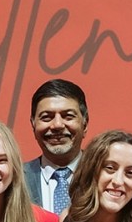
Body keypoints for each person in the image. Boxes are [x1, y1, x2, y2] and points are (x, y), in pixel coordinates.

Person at [24, 79, 90, 213]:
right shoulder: (16, 179)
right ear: (33, 124)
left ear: (85, 123)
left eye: (68, 116)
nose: (57, 125)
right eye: (47, 117)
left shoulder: (103, 177)